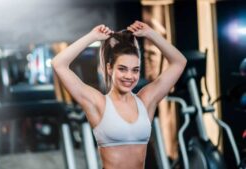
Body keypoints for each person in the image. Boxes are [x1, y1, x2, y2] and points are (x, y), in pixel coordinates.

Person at [51, 20, 187, 169]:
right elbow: (59, 64)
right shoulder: (99, 103)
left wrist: (151, 34)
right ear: (110, 69)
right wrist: (92, 37)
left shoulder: (145, 101)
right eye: (122, 69)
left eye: (135, 70)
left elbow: (179, 62)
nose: (129, 76)